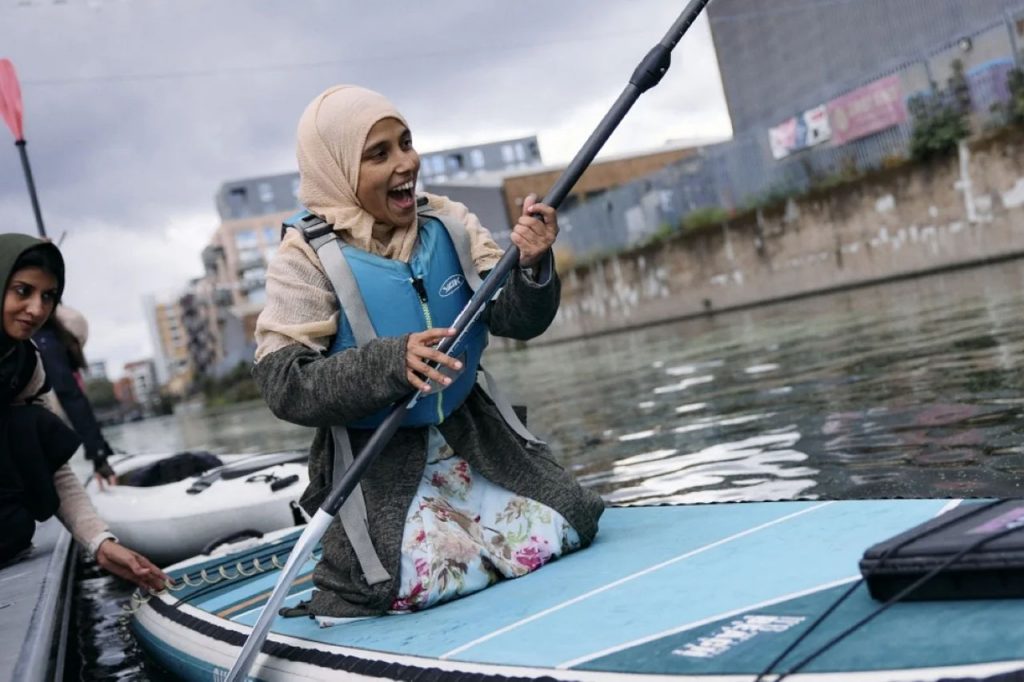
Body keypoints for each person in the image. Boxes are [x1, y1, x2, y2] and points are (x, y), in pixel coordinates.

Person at [253, 85, 604, 617]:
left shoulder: (448, 221)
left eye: (406, 143)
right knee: (427, 578)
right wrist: (389, 364)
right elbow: (285, 387)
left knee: (568, 524)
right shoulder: (302, 259)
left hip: (473, 438)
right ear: (337, 170)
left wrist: (533, 265)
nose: (406, 163)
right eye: (379, 154)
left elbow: (515, 318)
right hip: (380, 463)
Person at [0, 233, 166, 591]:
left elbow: (51, 460)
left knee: (34, 424)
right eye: (22, 291)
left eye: (48, 297)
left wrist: (100, 543)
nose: (37, 309)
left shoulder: (26, 364)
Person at [34, 305, 117, 485]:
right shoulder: (50, 335)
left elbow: (72, 399)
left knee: (70, 394)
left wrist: (98, 454)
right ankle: (99, 454)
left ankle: (100, 455)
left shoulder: (49, 336)